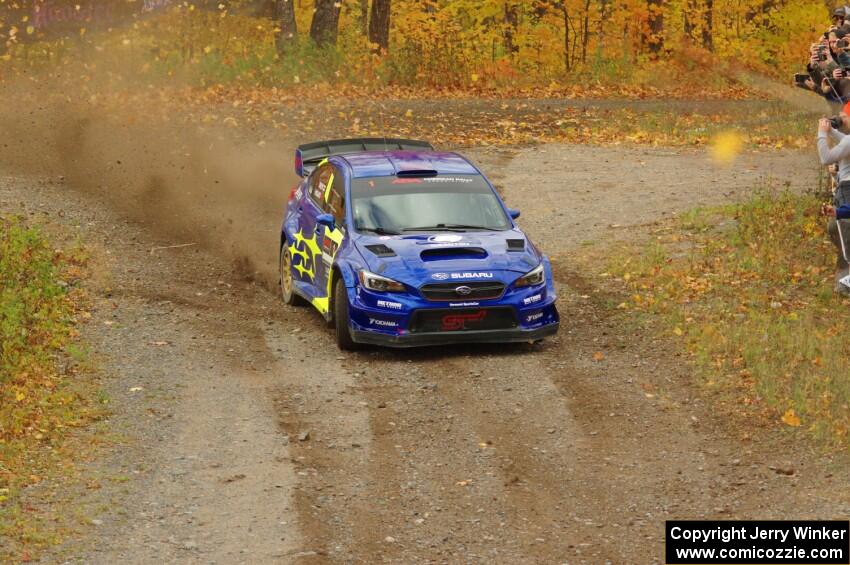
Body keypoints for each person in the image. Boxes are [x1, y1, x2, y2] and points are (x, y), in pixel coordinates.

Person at [817, 103, 850, 294]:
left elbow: (825, 157)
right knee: (836, 228)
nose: (841, 119)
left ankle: (845, 280)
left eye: (844, 116)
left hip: (847, 189)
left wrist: (822, 134)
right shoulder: (847, 140)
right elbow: (845, 142)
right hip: (845, 187)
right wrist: (832, 131)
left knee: (843, 233)